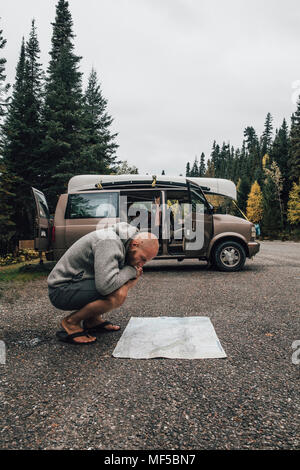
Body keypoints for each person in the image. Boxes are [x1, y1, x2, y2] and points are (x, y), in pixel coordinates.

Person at [48, 222, 159, 345]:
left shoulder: (124, 244)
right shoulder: (109, 242)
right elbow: (106, 286)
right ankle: (71, 323)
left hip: (77, 283)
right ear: (134, 244)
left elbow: (117, 280)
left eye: (146, 261)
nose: (141, 264)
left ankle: (92, 320)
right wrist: (131, 271)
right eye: (142, 258)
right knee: (116, 295)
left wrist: (129, 277)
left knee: (118, 285)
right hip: (61, 290)